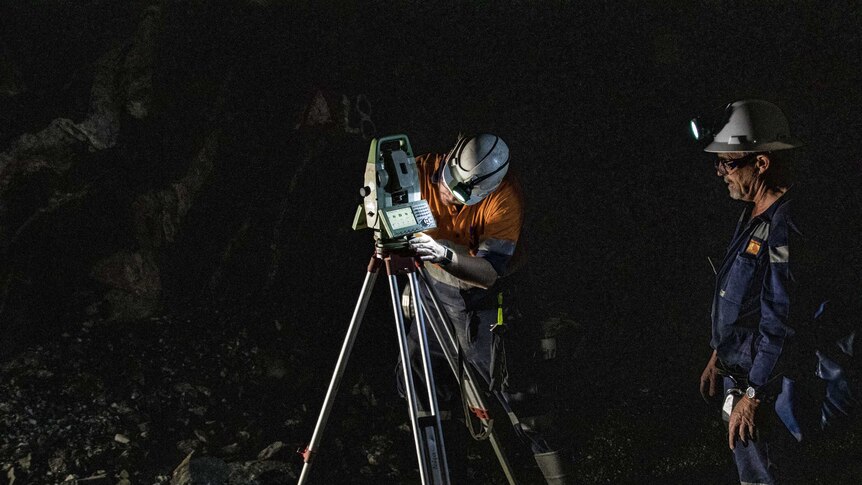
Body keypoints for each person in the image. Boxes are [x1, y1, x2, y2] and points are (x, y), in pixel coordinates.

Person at [400, 133, 571, 484]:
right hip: (433, 291)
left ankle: (557, 478)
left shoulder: (504, 198)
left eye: (463, 193)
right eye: (449, 183)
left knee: (519, 393)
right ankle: (441, 473)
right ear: (449, 158)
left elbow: (488, 273)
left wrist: (444, 255)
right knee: (422, 383)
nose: (448, 194)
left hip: (486, 300)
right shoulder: (419, 168)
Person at [696, 99, 832, 484]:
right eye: (719, 162)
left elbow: (781, 317)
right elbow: (743, 299)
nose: (721, 171)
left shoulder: (785, 226)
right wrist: (718, 354)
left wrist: (754, 397)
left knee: (769, 476)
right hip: (740, 374)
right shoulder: (753, 211)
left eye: (730, 162)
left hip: (765, 386)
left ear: (762, 163)